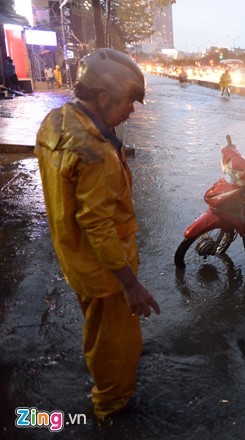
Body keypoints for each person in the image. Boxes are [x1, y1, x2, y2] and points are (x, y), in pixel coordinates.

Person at [34, 48, 160, 420]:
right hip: (106, 273)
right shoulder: (96, 152)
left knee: (100, 334)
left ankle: (111, 389)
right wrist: (130, 283)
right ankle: (112, 406)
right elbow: (98, 224)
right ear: (103, 97)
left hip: (77, 258)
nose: (131, 111)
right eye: (128, 102)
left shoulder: (57, 123)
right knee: (112, 346)